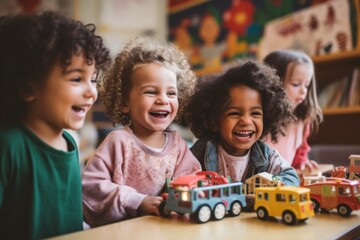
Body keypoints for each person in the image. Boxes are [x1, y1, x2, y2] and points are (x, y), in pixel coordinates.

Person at [0, 11, 111, 239]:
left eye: (93, 79)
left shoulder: (70, 142)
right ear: (29, 86)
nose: (92, 91)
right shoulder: (9, 145)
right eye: (76, 79)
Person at [82, 37, 202, 227]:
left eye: (171, 93)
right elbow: (90, 187)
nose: (163, 100)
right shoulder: (118, 141)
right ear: (124, 103)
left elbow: (192, 179)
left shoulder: (178, 145)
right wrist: (138, 201)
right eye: (151, 92)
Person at [185, 59, 299, 186]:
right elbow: (181, 179)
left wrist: (275, 184)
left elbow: (291, 177)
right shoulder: (201, 152)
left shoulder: (267, 155)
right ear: (214, 119)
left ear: (266, 117)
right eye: (234, 113)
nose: (246, 121)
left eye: (255, 113)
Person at [263, 50, 323, 171]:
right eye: (296, 84)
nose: (303, 91)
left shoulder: (302, 119)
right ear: (272, 83)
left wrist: (302, 162)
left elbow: (300, 151)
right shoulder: (260, 118)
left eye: (306, 85)